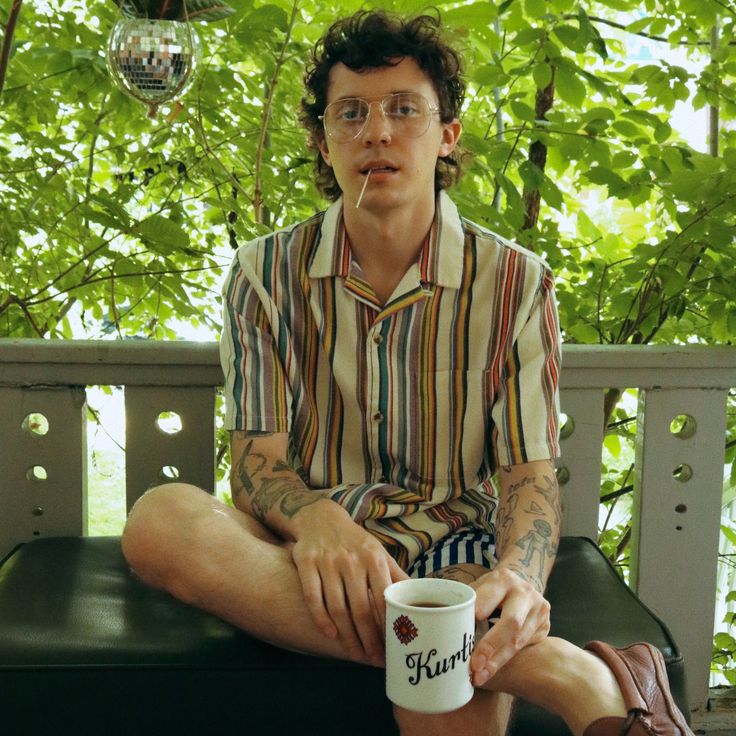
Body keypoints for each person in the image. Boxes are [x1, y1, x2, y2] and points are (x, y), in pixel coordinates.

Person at [121, 10, 692, 736]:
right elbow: (256, 462)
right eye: (350, 113)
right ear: (324, 141)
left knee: (442, 696)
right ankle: (564, 669)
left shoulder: (517, 282)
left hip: (454, 549)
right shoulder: (262, 274)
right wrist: (319, 522)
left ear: (447, 134)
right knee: (159, 520)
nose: (377, 132)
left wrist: (514, 579)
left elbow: (528, 477)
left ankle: (455, 630)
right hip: (307, 549)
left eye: (403, 110)